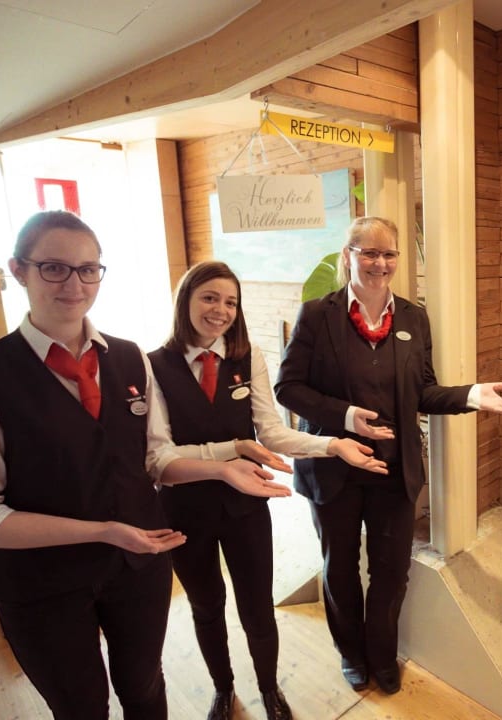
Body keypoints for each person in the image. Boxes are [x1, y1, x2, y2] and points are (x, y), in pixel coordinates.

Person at [0, 211, 290, 720]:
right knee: (82, 706)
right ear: (18, 270)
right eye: (54, 268)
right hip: (44, 586)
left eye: (88, 270)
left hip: (138, 570)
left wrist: (222, 467)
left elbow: (155, 458)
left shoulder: (127, 358)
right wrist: (102, 531)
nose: (74, 284)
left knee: (145, 689)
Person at [274, 216, 502, 695]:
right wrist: (347, 417)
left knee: (391, 572)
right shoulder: (317, 315)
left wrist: (471, 395)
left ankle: (382, 656)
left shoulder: (412, 318)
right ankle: (352, 654)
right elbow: (288, 388)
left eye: (389, 254)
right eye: (369, 252)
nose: (380, 263)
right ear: (348, 255)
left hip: (393, 470)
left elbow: (423, 391)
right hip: (333, 466)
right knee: (339, 569)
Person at [147, 261, 388, 720]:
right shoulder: (152, 364)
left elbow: (271, 433)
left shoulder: (246, 357)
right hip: (184, 509)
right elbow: (160, 459)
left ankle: (268, 688)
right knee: (206, 606)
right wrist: (232, 450)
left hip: (247, 505)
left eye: (230, 302)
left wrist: (332, 445)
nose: (221, 310)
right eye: (209, 298)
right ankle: (223, 690)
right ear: (186, 301)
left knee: (258, 608)